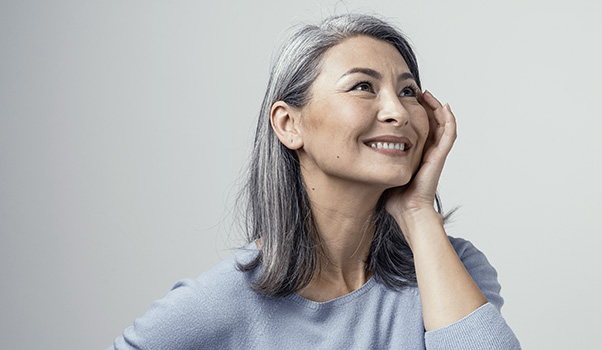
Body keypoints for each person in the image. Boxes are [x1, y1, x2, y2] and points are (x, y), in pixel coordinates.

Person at [109, 13, 520, 349]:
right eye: (363, 87)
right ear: (289, 125)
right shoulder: (227, 300)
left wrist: (416, 210)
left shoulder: (453, 267)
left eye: (409, 91)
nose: (397, 111)